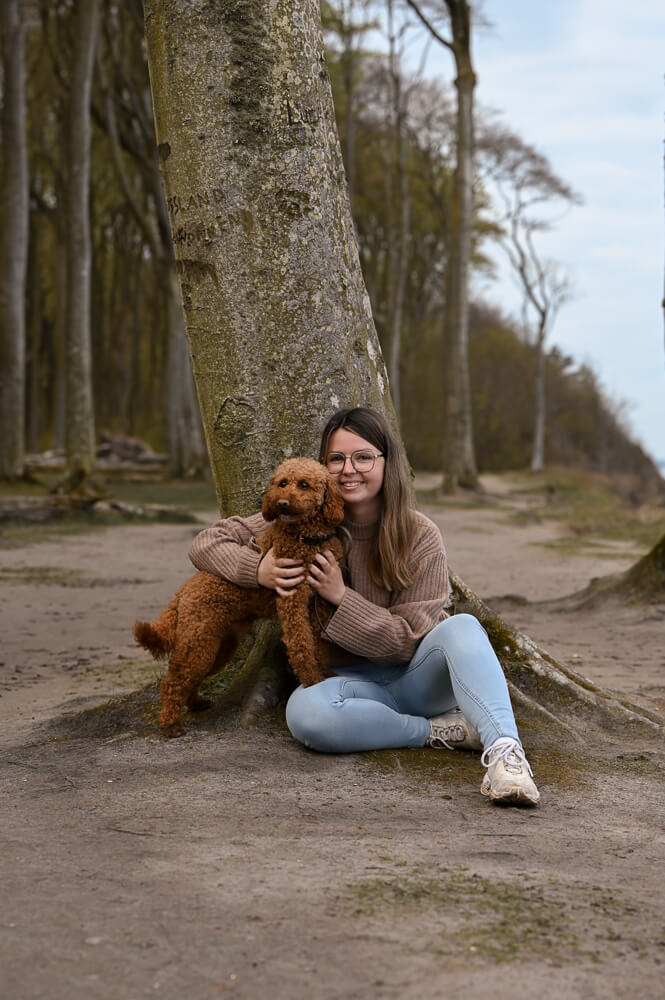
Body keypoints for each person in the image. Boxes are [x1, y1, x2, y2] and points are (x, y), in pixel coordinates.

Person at [189, 406, 540, 806]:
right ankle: (440, 732)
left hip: (418, 679)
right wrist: (258, 569)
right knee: (305, 715)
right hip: (351, 688)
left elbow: (408, 641)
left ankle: (506, 756)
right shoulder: (299, 516)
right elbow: (205, 543)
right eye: (336, 459)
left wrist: (341, 597)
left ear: (386, 463)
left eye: (363, 457)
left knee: (462, 628)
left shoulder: (419, 533)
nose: (348, 469)